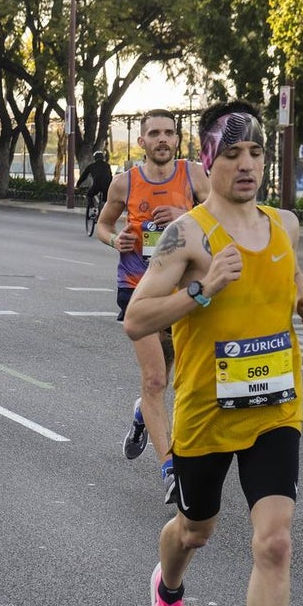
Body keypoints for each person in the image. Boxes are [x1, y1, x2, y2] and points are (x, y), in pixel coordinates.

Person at [124, 101, 303, 606]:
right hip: (207, 412)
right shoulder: (188, 235)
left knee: (275, 543)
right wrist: (202, 289)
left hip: (275, 408)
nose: (246, 165)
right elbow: (136, 318)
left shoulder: (285, 225)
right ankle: (168, 592)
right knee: (194, 531)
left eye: (256, 152)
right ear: (207, 158)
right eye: (233, 152)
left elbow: (292, 282)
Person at [95, 110, 210, 504]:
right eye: (154, 133)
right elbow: (104, 225)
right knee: (156, 380)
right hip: (137, 289)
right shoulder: (124, 182)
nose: (162, 139)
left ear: (177, 139)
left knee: (171, 375)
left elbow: (222, 221)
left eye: (169, 133)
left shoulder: (194, 176)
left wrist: (186, 217)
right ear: (141, 141)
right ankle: (170, 470)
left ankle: (142, 413)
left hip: (182, 292)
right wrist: (115, 241)